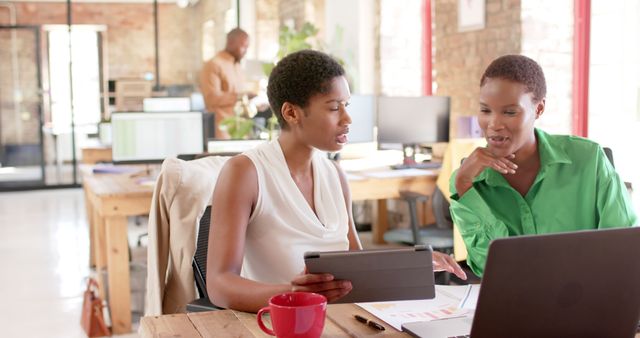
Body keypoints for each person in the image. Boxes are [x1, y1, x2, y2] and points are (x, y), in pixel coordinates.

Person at [206, 50, 467, 313]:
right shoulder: (245, 172)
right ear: (291, 113)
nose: (347, 119)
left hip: (343, 319)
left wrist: (409, 265)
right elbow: (219, 285)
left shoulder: (335, 176)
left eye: (346, 106)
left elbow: (357, 265)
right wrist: (294, 295)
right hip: (278, 324)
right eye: (333, 108)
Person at [449, 54, 637, 277]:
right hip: (516, 303)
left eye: (509, 112)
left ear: (538, 109)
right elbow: (488, 268)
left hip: (588, 299)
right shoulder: (468, 180)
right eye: (485, 110)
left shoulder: (588, 159)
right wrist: (463, 185)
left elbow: (626, 249)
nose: (493, 124)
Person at [200, 28, 250, 139]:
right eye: (243, 46)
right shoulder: (213, 64)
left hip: (241, 129)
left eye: (247, 47)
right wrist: (241, 96)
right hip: (222, 130)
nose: (246, 50)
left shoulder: (237, 66)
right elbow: (211, 98)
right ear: (230, 42)